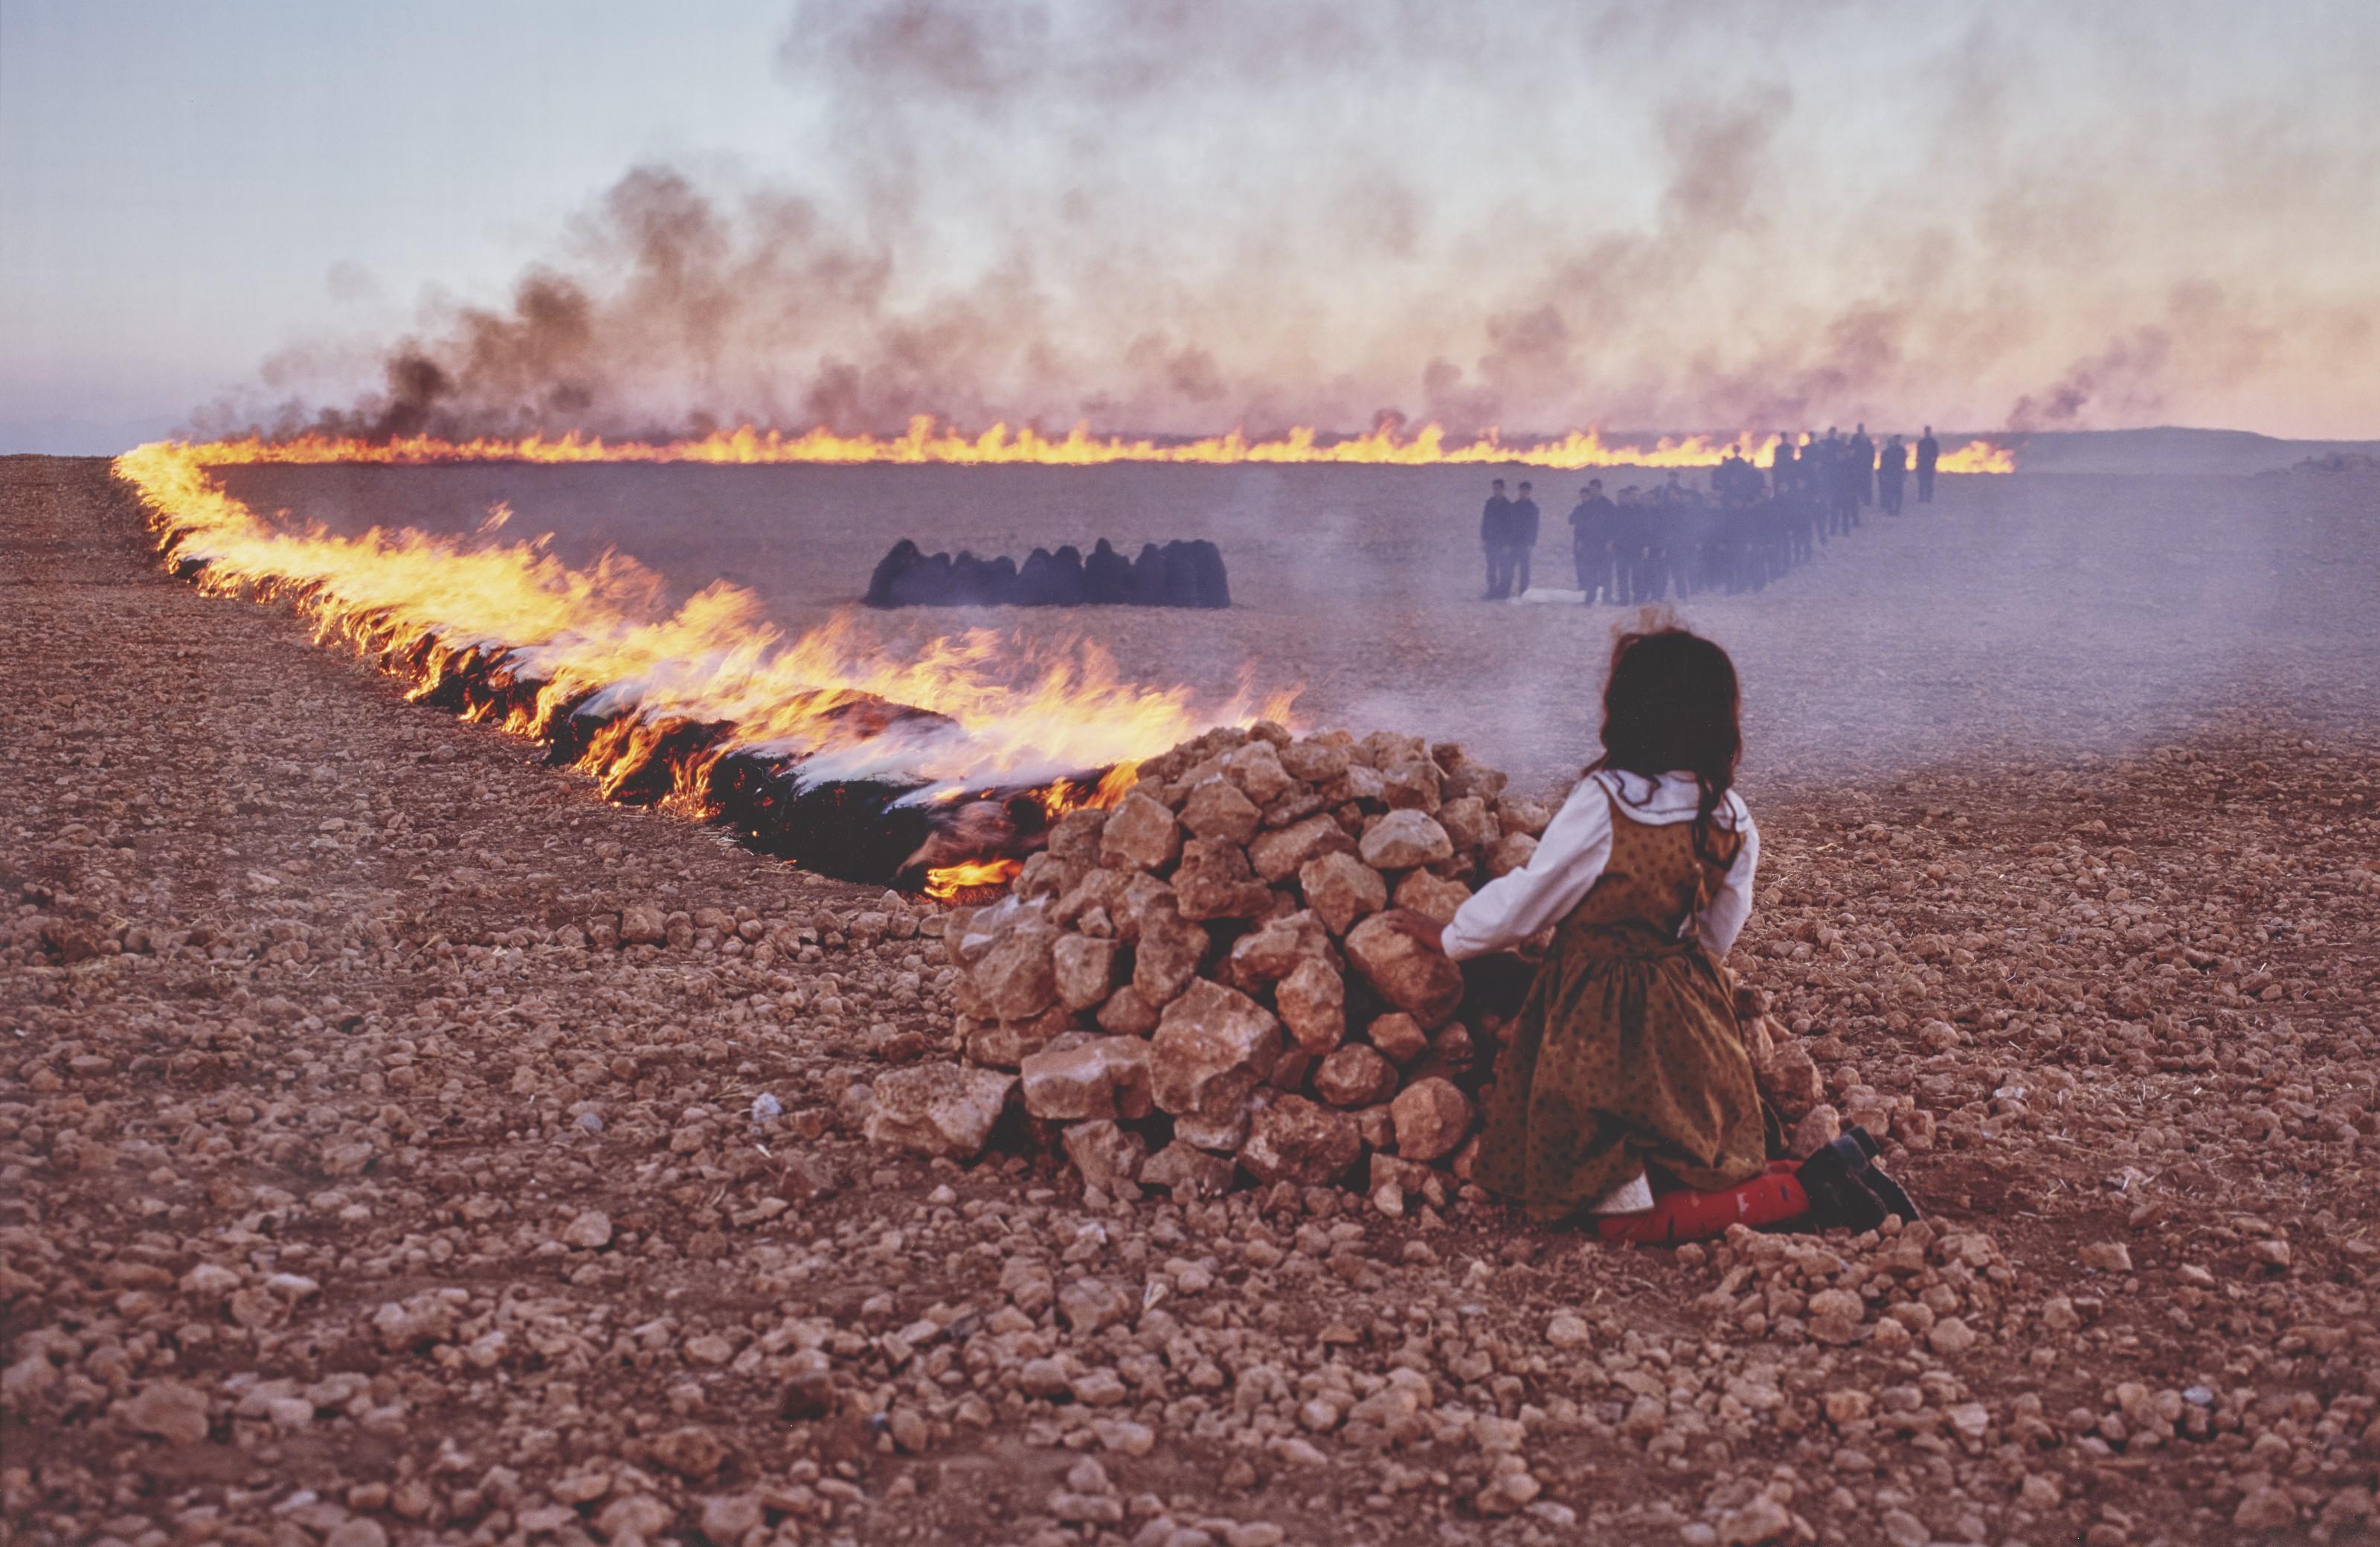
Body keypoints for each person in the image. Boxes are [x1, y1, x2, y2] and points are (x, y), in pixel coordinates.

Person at [1381, 628, 1919, 1240]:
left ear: (1628, 711)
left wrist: (1452, 935)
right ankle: (1827, 1168)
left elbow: (1531, 901)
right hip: (1691, 1016)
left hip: (1596, 1023)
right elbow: (1720, 931)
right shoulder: (1729, 814)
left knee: (1617, 1213)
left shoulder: (1606, 802)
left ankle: (1804, 1190)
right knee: (1693, 1165)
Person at [1568, 481, 1615, 603]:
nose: (1592, 492)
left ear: (1600, 489)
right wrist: (1580, 540)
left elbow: (1614, 525)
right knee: (1591, 572)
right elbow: (1579, 523)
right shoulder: (1586, 506)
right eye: (1591, 489)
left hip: (1604, 545)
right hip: (1590, 544)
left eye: (1594, 489)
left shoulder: (1608, 505)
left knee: (1606, 573)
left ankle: (1607, 598)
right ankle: (1590, 598)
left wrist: (1611, 541)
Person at [1480, 478, 1517, 599]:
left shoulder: (1508, 505)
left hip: (1502, 543)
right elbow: (1485, 521)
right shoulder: (1489, 503)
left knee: (1503, 568)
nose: (1496, 491)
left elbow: (1511, 526)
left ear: (1503, 489)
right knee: (1491, 568)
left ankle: (1503, 592)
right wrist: (1484, 539)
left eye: (1498, 489)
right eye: (1494, 489)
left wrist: (1508, 544)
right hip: (1491, 541)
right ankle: (1492, 591)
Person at [1509, 480, 1540, 596]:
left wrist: (1531, 542)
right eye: (1522, 490)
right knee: (1509, 566)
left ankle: (1523, 590)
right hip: (1513, 541)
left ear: (1529, 492)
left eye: (1526, 491)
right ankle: (1506, 589)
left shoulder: (1533, 508)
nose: (1523, 493)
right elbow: (1509, 525)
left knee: (1524, 568)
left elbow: (1535, 527)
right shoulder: (1514, 507)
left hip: (1525, 542)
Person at [1877, 434, 1908, 515]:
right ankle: (1890, 510)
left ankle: (1897, 510)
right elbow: (1882, 465)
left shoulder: (1901, 451)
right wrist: (1882, 475)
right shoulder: (1885, 453)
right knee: (1890, 493)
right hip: (1890, 475)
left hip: (1897, 474)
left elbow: (1904, 462)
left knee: (1898, 493)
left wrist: (1905, 472)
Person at [1848, 423, 1876, 508]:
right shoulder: (1855, 438)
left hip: (1866, 466)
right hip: (1857, 465)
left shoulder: (1867, 438)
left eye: (1861, 428)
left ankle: (1867, 500)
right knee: (1857, 483)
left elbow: (1872, 452)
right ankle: (1859, 499)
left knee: (1867, 484)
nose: (1860, 429)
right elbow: (1851, 450)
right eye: (1859, 428)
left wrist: (1871, 464)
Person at [1915, 425, 1940, 504]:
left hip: (1929, 464)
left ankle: (1928, 498)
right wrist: (1917, 463)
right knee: (1922, 482)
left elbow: (1936, 454)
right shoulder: (1921, 442)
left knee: (1929, 482)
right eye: (1926, 431)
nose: (1927, 432)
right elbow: (1918, 454)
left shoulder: (1933, 442)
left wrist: (1933, 462)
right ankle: (1921, 497)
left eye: (1928, 431)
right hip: (1922, 464)